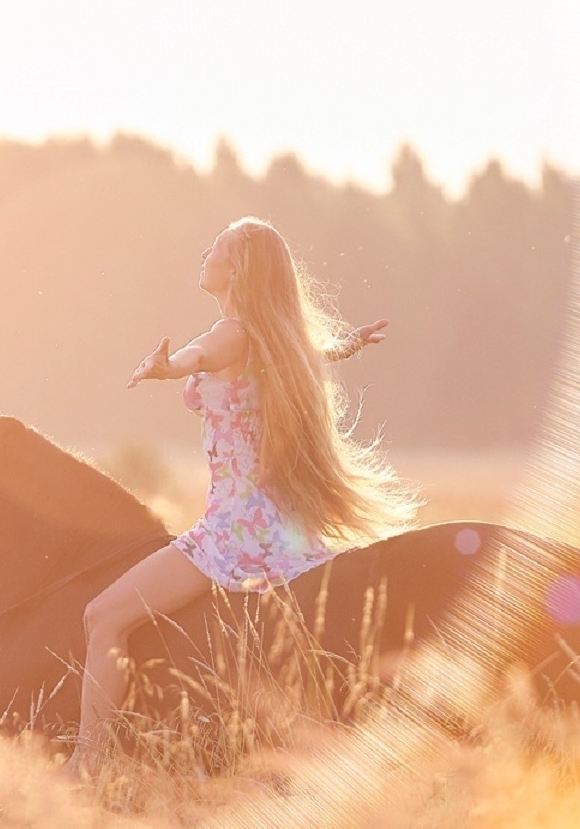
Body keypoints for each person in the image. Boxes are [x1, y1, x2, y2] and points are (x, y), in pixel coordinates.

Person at [57, 217, 421, 782]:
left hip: (236, 527)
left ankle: (88, 762)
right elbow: (310, 352)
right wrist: (348, 345)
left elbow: (198, 356)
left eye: (218, 248)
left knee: (102, 616)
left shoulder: (232, 332)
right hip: (281, 520)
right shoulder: (275, 337)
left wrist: (166, 368)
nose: (206, 253)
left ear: (238, 268)